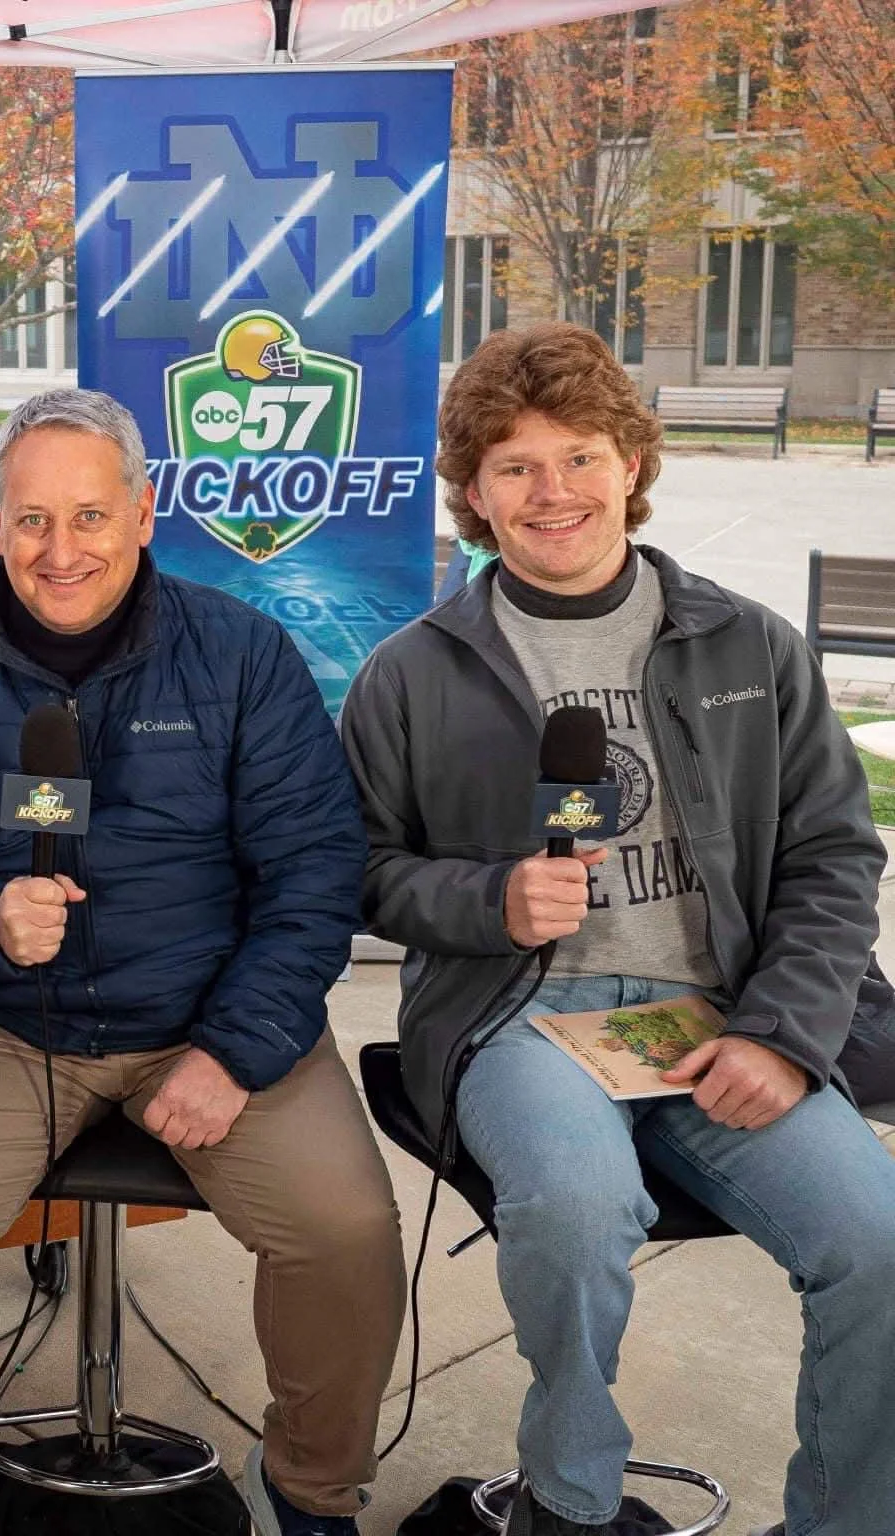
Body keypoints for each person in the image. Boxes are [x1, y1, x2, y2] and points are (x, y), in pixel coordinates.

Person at [339, 323, 895, 1536]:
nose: (554, 494)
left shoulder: (747, 644)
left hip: (721, 1017)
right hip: (519, 1022)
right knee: (575, 1210)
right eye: (516, 468)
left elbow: (833, 857)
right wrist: (486, 899)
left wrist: (785, 1035)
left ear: (631, 465)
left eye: (580, 457)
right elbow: (360, 875)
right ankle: (569, 1500)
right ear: (473, 495)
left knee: (879, 1242)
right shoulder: (408, 673)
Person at [0, 387, 406, 1536]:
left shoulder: (242, 656)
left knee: (343, 1228)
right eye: (31, 519)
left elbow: (311, 874)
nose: (59, 551)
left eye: (89, 517)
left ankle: (308, 1493)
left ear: (143, 515)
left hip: (208, 1016)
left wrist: (233, 1051)